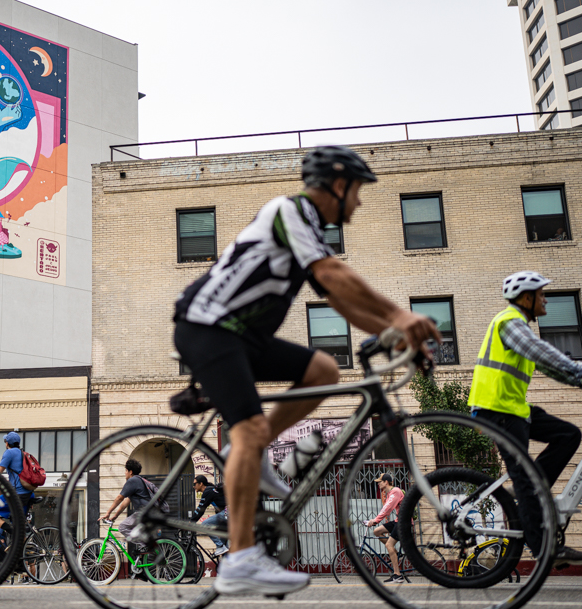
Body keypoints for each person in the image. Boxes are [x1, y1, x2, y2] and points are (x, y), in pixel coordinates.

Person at [174, 145, 440, 596]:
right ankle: (240, 559)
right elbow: (334, 275)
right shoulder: (289, 210)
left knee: (322, 369)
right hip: (208, 329)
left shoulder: (310, 230)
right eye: (357, 191)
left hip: (241, 336)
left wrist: (395, 333)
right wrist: (400, 316)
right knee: (249, 430)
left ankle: (254, 450)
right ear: (337, 185)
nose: (358, 202)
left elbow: (340, 300)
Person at [468, 271, 582, 565]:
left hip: (515, 410)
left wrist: (580, 382)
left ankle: (532, 490)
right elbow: (540, 352)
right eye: (541, 294)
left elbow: (548, 367)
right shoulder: (510, 322)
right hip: (497, 410)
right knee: (523, 477)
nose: (546, 300)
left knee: (568, 435)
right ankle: (544, 549)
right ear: (526, 298)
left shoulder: (519, 326)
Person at [0, 432, 33, 533]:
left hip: (16, 495)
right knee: (18, 526)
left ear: (7, 443)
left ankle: (12, 531)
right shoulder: (22, 454)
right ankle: (20, 540)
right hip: (28, 495)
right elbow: (10, 483)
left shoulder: (9, 453)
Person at [364, 473, 405, 583]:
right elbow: (385, 509)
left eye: (380, 482)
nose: (378, 484)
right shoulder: (389, 493)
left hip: (403, 522)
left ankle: (397, 575)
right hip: (398, 520)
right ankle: (396, 553)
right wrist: (374, 521)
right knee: (377, 531)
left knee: (389, 545)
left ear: (386, 482)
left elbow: (387, 509)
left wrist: (375, 520)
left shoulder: (395, 491)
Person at [190, 475, 228, 555]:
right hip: (228, 514)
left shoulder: (208, 491)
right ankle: (224, 554)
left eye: (194, 484)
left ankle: (220, 547)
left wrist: (191, 521)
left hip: (228, 512)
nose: (193, 486)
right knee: (224, 547)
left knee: (205, 524)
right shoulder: (211, 490)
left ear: (201, 484)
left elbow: (200, 509)